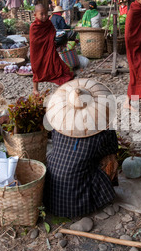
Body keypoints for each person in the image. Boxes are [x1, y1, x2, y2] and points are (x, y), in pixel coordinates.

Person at [44, 79, 119, 218]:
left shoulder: (58, 128)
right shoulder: (99, 137)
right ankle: (99, 199)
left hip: (50, 199)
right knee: (109, 161)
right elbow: (112, 149)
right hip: (75, 206)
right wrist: (109, 130)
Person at [29, 4, 74, 96]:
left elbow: (52, 33)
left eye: (46, 14)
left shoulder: (48, 23)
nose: (44, 16)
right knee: (37, 69)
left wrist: (53, 40)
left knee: (58, 65)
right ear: (35, 15)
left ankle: (62, 86)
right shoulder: (34, 26)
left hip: (49, 49)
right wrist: (47, 41)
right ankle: (35, 89)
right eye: (41, 14)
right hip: (37, 52)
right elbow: (34, 41)